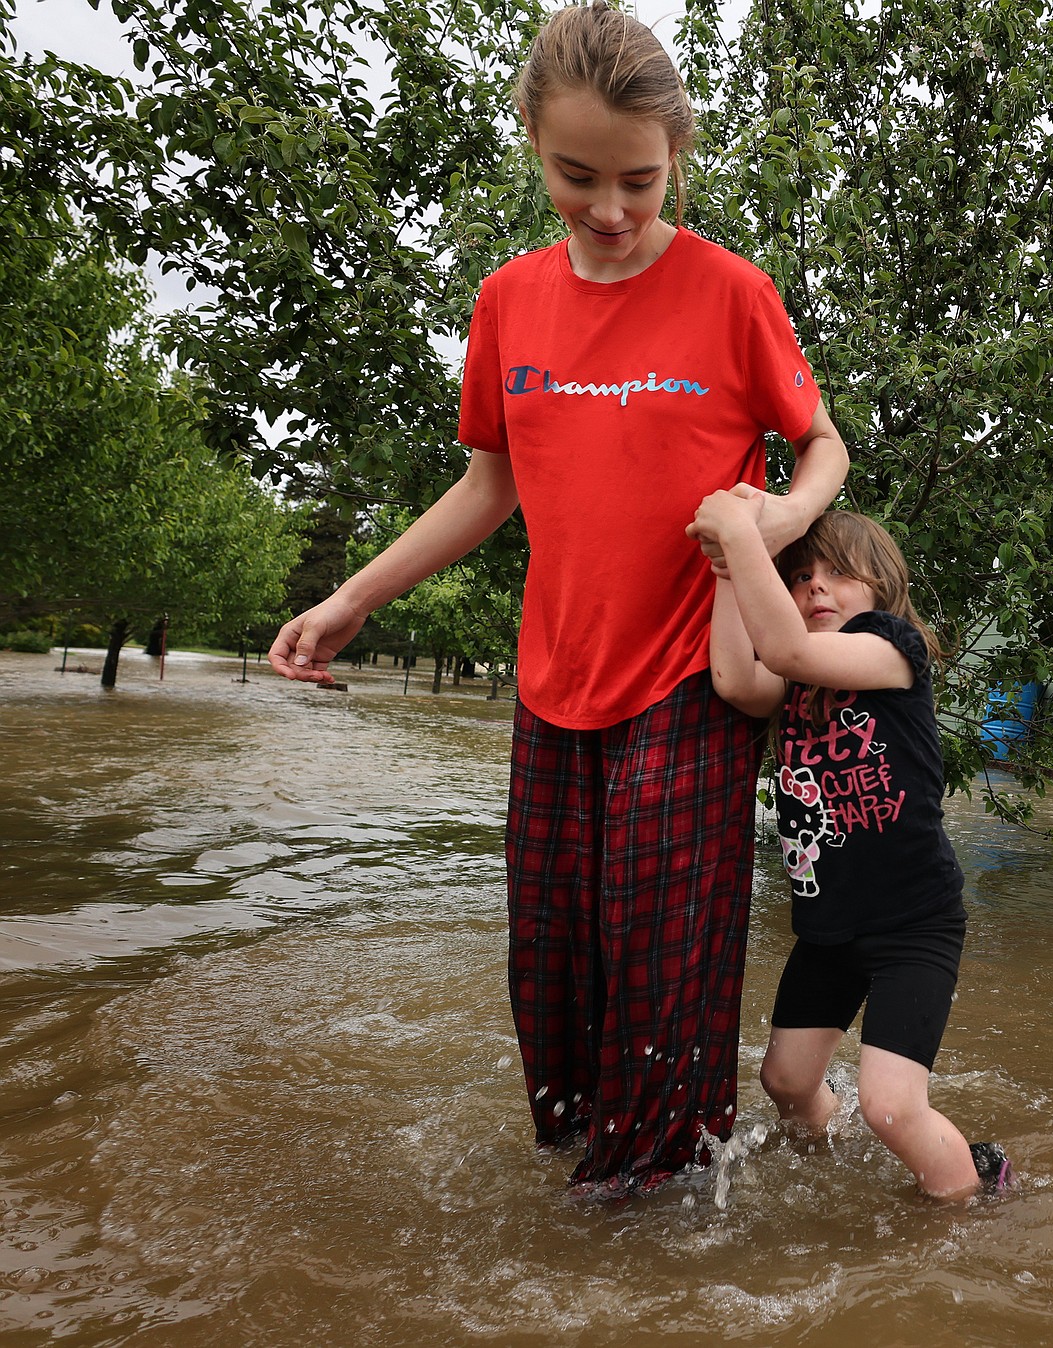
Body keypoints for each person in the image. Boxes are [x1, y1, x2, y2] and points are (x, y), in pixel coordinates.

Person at [268, 1, 849, 1195]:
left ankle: (651, 1218)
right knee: (553, 966)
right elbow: (489, 483)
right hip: (555, 683)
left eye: (640, 178)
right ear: (533, 139)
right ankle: (585, 1180)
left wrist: (775, 519)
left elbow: (822, 447)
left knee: (660, 961)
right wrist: (350, 600)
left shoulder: (734, 291)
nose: (613, 209)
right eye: (576, 175)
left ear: (677, 152)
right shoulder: (508, 303)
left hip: (692, 674)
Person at [686, 501, 1012, 1198]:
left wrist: (744, 535)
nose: (814, 588)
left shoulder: (892, 649)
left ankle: (973, 1197)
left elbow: (785, 649)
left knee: (891, 1107)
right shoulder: (799, 677)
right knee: (786, 1083)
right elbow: (738, 681)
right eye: (800, 576)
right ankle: (829, 1182)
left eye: (837, 572)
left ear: (882, 587)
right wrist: (723, 574)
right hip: (829, 929)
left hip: (912, 925)